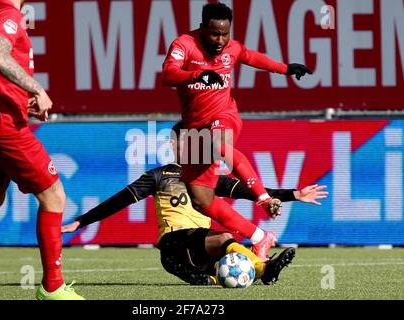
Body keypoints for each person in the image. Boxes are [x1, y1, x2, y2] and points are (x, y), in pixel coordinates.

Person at [62, 123, 328, 285]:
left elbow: (253, 191)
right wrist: (81, 221)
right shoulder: (158, 175)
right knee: (223, 235)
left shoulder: (208, 178)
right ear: (174, 144)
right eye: (186, 141)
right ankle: (262, 267)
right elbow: (118, 201)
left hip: (202, 251)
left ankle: (255, 270)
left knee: (225, 249)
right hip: (173, 247)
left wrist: (295, 194)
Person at [161, 2, 312, 261]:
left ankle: (264, 199)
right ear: (202, 28)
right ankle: (259, 238)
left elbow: (253, 57)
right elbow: (168, 74)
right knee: (201, 199)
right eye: (214, 34)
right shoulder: (184, 44)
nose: (220, 40)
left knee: (220, 143)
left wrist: (286, 69)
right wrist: (198, 74)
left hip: (224, 116)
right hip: (196, 129)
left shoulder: (233, 47)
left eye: (225, 34)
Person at [0, 0, 84, 300]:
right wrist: (36, 90)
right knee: (54, 196)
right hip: (6, 126)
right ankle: (52, 287)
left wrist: (10, 95)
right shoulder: (8, 13)